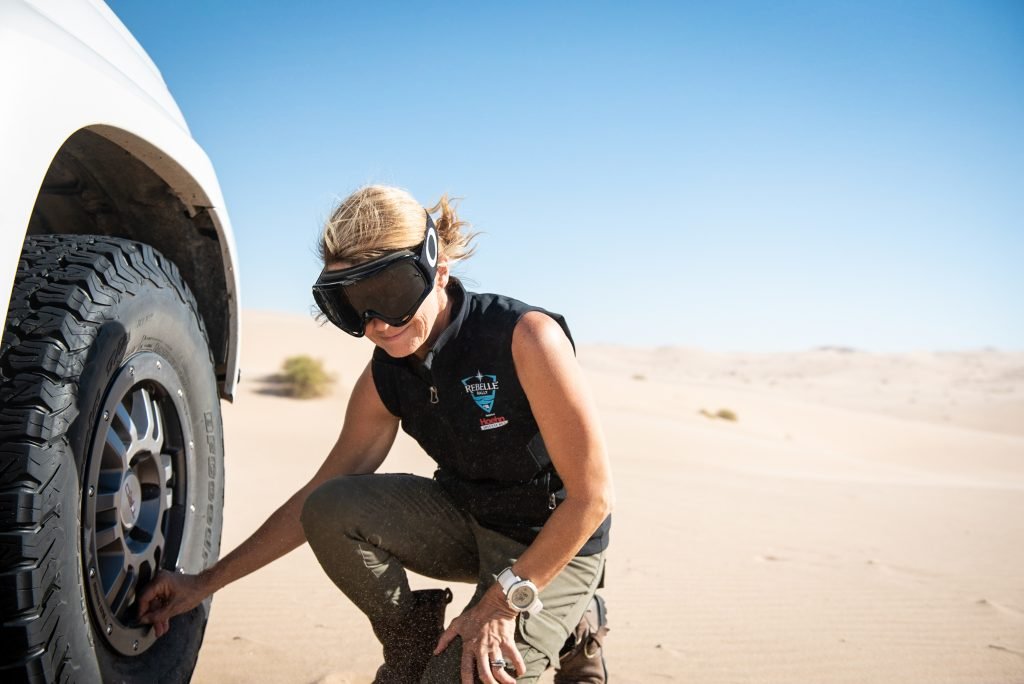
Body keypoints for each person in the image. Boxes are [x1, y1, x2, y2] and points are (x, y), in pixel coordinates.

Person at [138, 185, 614, 683]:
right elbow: (313, 504)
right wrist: (203, 584)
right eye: (352, 306)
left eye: (391, 295)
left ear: (439, 270)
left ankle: (576, 621)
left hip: (553, 542)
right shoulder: (385, 375)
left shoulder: (526, 338)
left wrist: (500, 603)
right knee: (331, 506)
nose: (377, 325)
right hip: (467, 522)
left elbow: (591, 498)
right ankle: (412, 649)